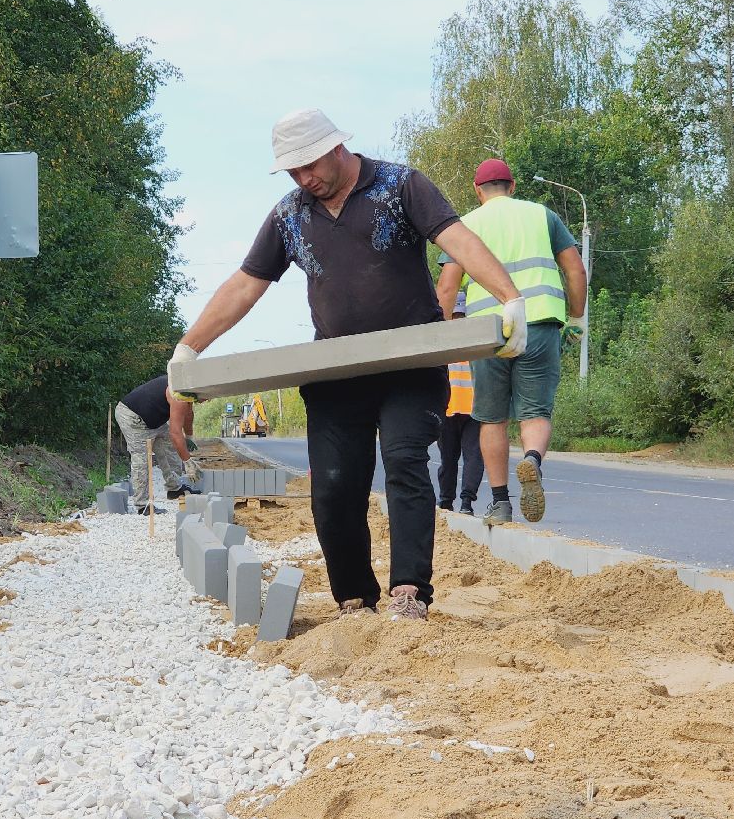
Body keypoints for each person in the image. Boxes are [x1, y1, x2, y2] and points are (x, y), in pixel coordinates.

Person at [168, 108, 528, 621]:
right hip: (337, 373)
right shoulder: (290, 214)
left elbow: (457, 240)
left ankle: (409, 593)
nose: (304, 178)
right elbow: (245, 287)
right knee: (334, 482)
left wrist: (510, 299)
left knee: (405, 461)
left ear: (337, 148)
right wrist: (188, 350)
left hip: (410, 363)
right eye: (293, 172)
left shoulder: (401, 186)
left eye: (310, 165)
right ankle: (354, 599)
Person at [435, 158, 587, 526]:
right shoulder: (542, 215)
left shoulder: (465, 225)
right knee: (535, 412)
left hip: (489, 331)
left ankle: (501, 502)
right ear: (513, 186)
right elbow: (575, 269)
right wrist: (576, 315)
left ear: (478, 191)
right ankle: (532, 459)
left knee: (491, 418)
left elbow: (446, 287)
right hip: (540, 323)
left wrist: (445, 339)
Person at [115, 376, 202, 513]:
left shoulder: (186, 390)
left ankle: (174, 488)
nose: (208, 400)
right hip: (132, 417)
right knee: (142, 460)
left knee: (170, 447)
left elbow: (188, 414)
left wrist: (189, 436)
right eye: (207, 397)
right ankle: (142, 505)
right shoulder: (179, 395)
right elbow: (175, 432)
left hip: (153, 419)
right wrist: (188, 461)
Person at [433, 288, 484, 515]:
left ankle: (446, 502)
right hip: (476, 406)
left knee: (448, 458)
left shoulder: (442, 337)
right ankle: (466, 503)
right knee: (473, 456)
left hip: (449, 406)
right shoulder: (477, 336)